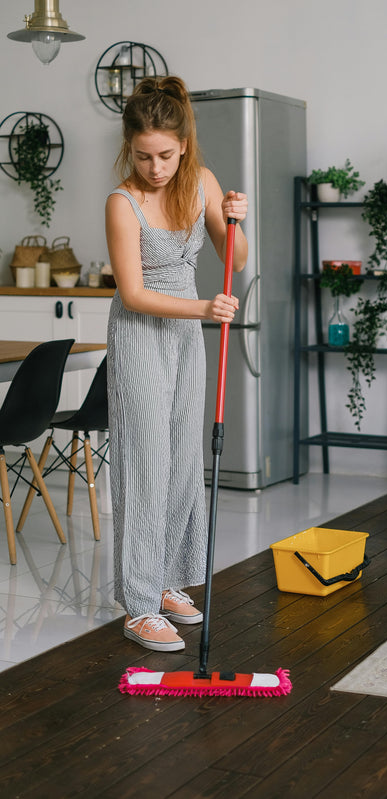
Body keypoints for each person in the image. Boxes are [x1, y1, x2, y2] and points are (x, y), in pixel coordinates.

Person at [105, 75, 248, 652]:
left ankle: (164, 581)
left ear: (184, 145)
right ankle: (138, 605)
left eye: (165, 155)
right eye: (143, 155)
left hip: (187, 338)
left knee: (184, 456)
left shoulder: (203, 184)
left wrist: (237, 218)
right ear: (129, 148)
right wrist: (202, 307)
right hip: (141, 336)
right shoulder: (122, 203)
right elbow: (134, 293)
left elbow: (233, 256)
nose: (155, 167)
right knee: (146, 460)